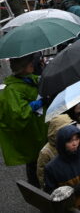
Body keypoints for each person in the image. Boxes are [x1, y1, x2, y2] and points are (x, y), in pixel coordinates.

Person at [0, 54, 48, 186]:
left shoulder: (30, 79)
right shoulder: (12, 90)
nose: (32, 64)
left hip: (41, 128)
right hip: (31, 135)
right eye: (29, 63)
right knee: (34, 163)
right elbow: (18, 114)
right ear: (21, 68)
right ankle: (37, 193)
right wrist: (36, 104)